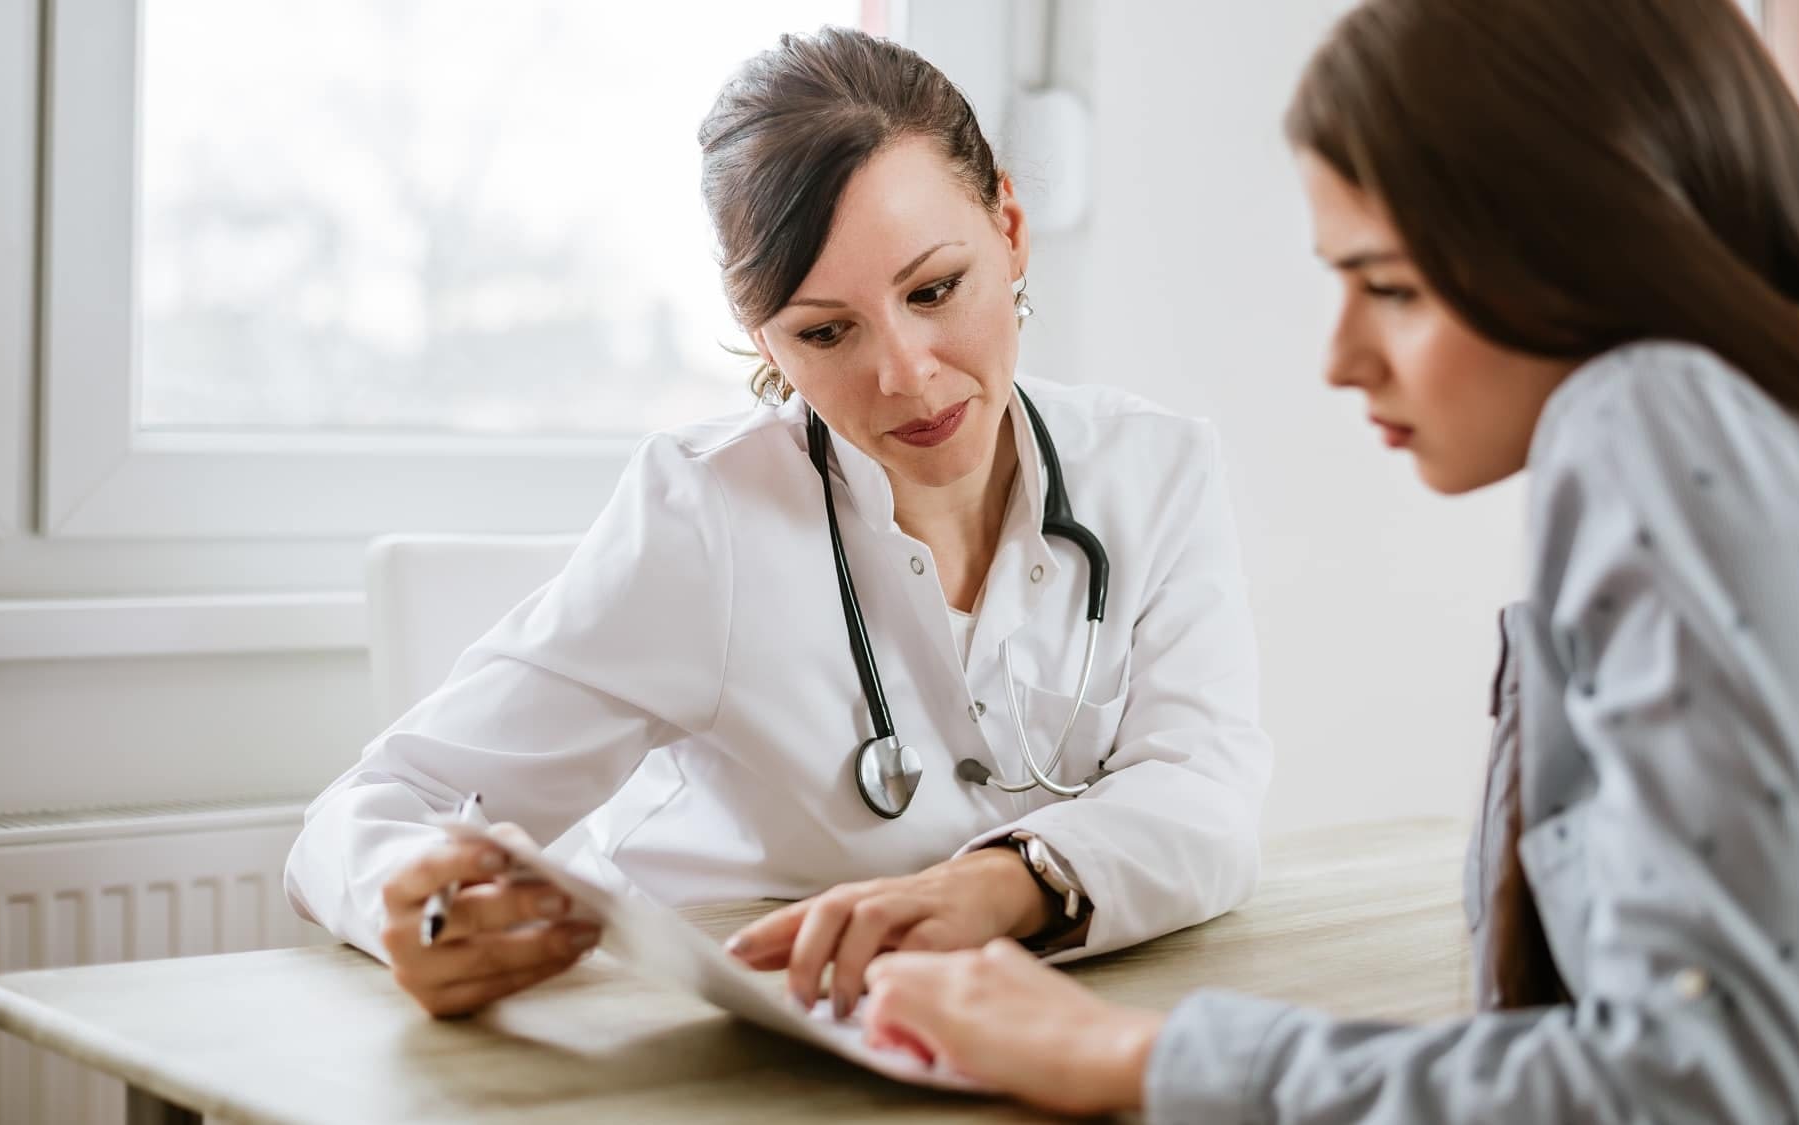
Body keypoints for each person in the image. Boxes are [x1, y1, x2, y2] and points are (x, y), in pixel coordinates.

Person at [849, 1, 1799, 1120]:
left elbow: (1696, 1084)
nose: (1340, 358)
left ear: (1596, 233)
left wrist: (1137, 1059)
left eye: (1392, 287)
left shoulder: (1653, 416)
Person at [283, 26, 1272, 1022]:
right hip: (724, 1045)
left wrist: (1001, 885)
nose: (906, 373)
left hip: (1020, 1040)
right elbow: (372, 809)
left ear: (1008, 227)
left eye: (934, 289)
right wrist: (404, 904)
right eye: (823, 331)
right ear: (761, 336)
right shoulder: (703, 517)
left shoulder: (1155, 471)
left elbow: (1209, 794)